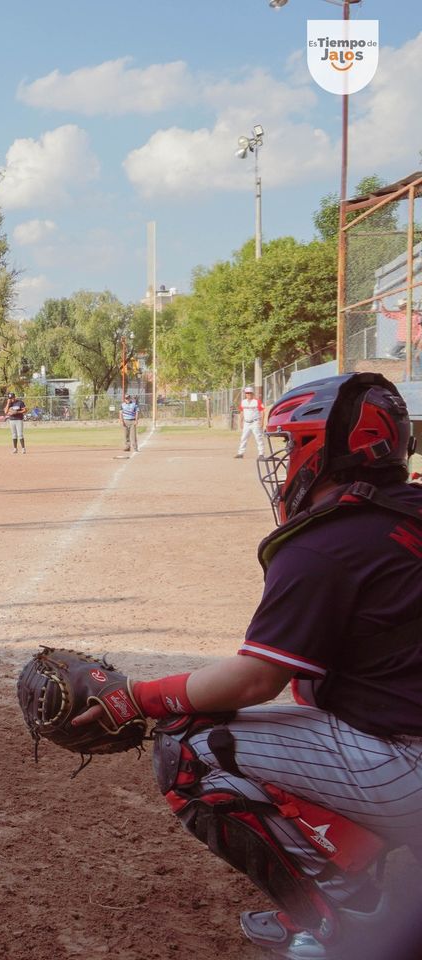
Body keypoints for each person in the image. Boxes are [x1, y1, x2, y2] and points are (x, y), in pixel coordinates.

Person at [75, 372, 422, 959]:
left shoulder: (324, 541)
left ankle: (345, 919)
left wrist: (138, 697)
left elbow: (258, 678)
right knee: (326, 699)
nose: (284, 461)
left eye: (292, 446)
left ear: (323, 449)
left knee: (192, 748)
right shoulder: (409, 509)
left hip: (408, 764)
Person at [236, 384, 265, 459]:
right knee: (243, 438)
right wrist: (240, 422)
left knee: (258, 438)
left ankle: (261, 454)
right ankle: (240, 453)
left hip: (255, 422)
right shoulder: (243, 402)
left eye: (250, 393)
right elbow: (242, 412)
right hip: (246, 423)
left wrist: (262, 422)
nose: (248, 394)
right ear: (245, 394)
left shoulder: (257, 401)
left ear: (253, 393)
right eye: (247, 393)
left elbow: (262, 411)